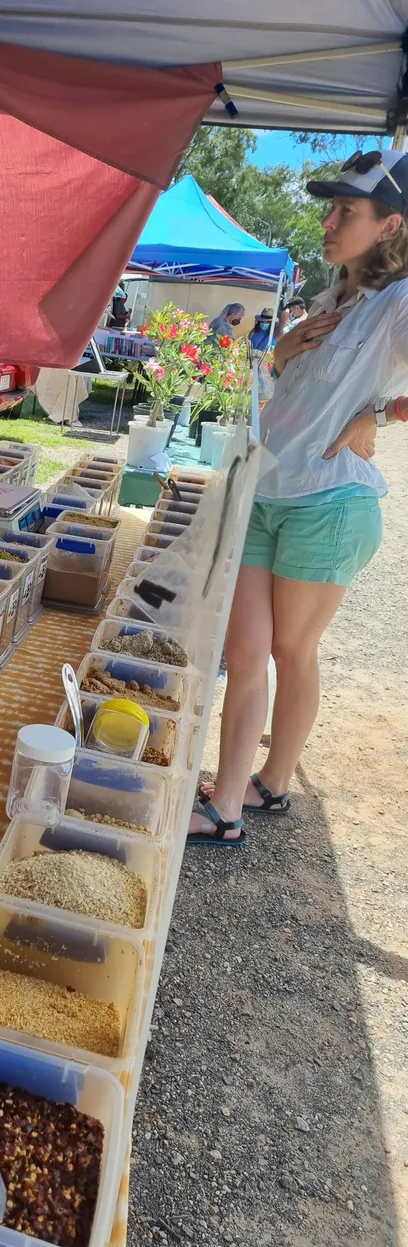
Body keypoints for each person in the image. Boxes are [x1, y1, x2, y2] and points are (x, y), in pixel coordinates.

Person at [189, 147, 407, 845]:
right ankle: (228, 797)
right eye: (332, 207)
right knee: (247, 648)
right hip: (268, 487)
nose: (330, 221)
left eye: (348, 211)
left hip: (330, 501)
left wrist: (379, 416)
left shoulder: (398, 304)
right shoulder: (325, 300)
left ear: (391, 225)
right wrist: (277, 355)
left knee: (291, 650)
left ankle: (268, 785)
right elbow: (278, 395)